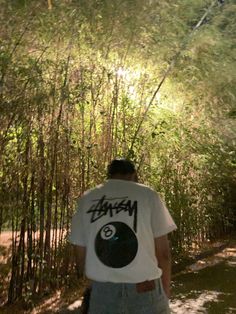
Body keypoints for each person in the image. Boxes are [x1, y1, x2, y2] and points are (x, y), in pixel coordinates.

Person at [69, 158, 177, 314]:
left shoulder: (87, 199)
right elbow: (164, 254)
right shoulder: (149, 195)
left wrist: (95, 285)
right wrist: (165, 293)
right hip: (146, 291)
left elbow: (80, 256)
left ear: (109, 176)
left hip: (103, 293)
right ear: (134, 175)